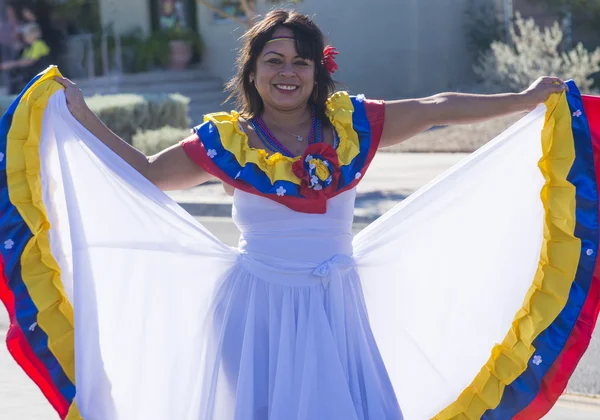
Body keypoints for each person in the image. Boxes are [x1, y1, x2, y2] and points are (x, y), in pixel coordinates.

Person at [2, 8, 599, 420]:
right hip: (253, 309)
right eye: (274, 59)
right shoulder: (228, 141)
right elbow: (150, 174)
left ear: (318, 71)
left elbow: (438, 107)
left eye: (301, 61)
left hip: (334, 307)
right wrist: (79, 116)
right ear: (253, 71)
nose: (288, 72)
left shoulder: (351, 125)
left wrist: (524, 98)